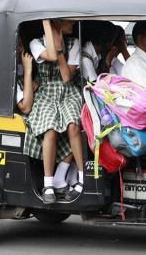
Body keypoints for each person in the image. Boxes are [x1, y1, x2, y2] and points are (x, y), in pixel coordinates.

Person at [26, 20, 84, 204]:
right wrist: (54, 42)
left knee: (74, 125)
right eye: (69, 20)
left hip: (68, 92)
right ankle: (48, 184)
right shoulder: (35, 43)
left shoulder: (74, 43)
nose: (73, 23)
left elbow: (67, 77)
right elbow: (50, 55)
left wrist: (60, 51)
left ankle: (83, 179)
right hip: (47, 92)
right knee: (49, 128)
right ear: (56, 23)